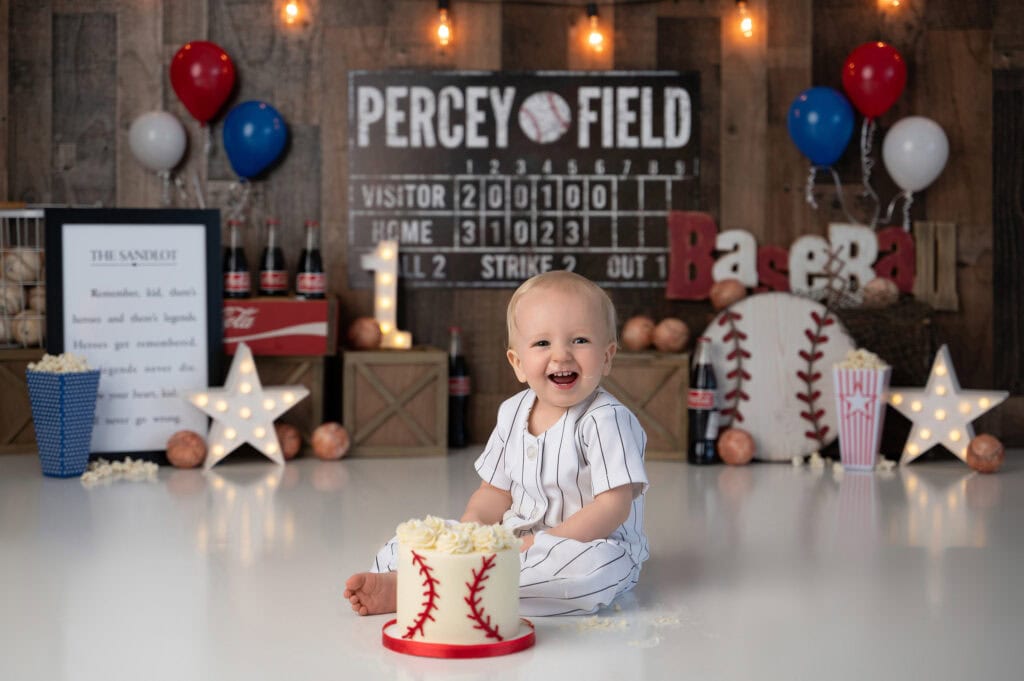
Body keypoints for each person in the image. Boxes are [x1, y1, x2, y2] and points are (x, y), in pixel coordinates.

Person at [344, 270, 649, 616]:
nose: (562, 355)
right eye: (542, 343)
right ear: (517, 363)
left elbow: (613, 507)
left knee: (589, 572)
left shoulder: (607, 419)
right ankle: (423, 575)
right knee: (411, 539)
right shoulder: (513, 412)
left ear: (607, 357)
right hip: (512, 539)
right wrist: (473, 530)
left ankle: (433, 590)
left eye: (579, 340)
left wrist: (541, 544)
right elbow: (495, 492)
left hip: (589, 543)